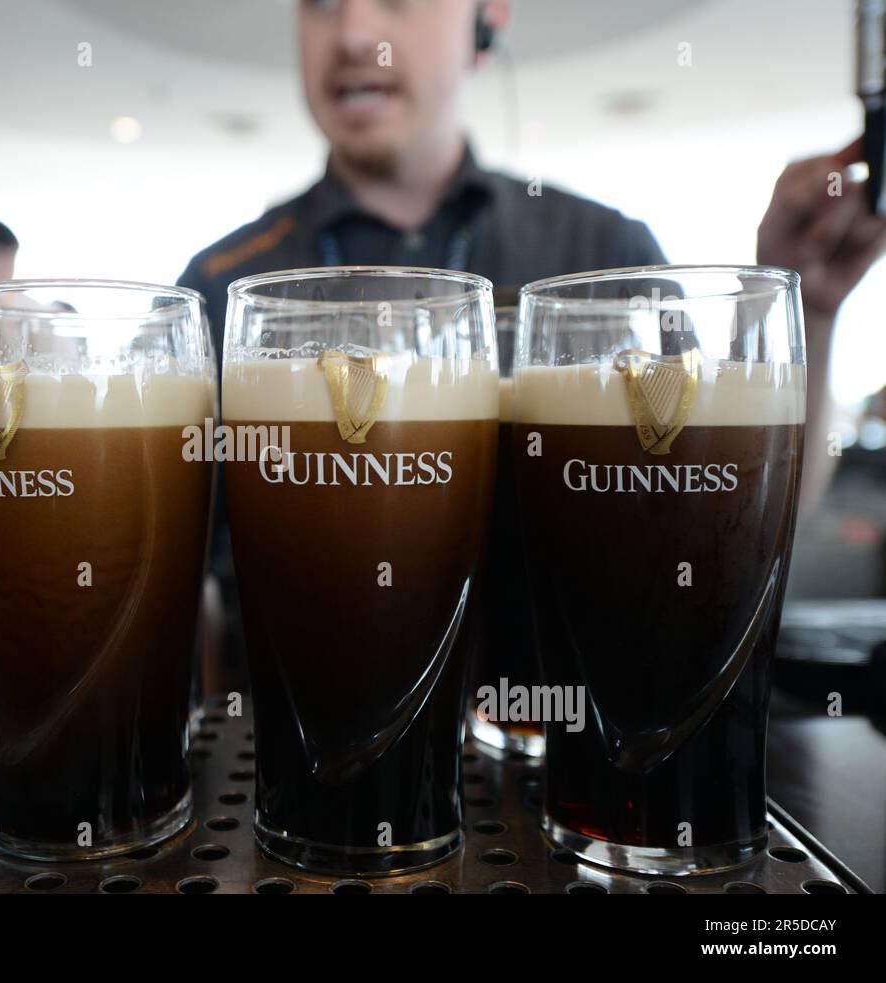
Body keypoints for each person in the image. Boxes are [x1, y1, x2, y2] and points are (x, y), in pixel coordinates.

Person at [179, 0, 886, 679]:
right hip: (297, 749)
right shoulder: (225, 284)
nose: (356, 31)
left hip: (556, 752)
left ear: (488, 23)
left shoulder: (603, 250)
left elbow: (724, 521)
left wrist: (811, 313)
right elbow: (189, 584)